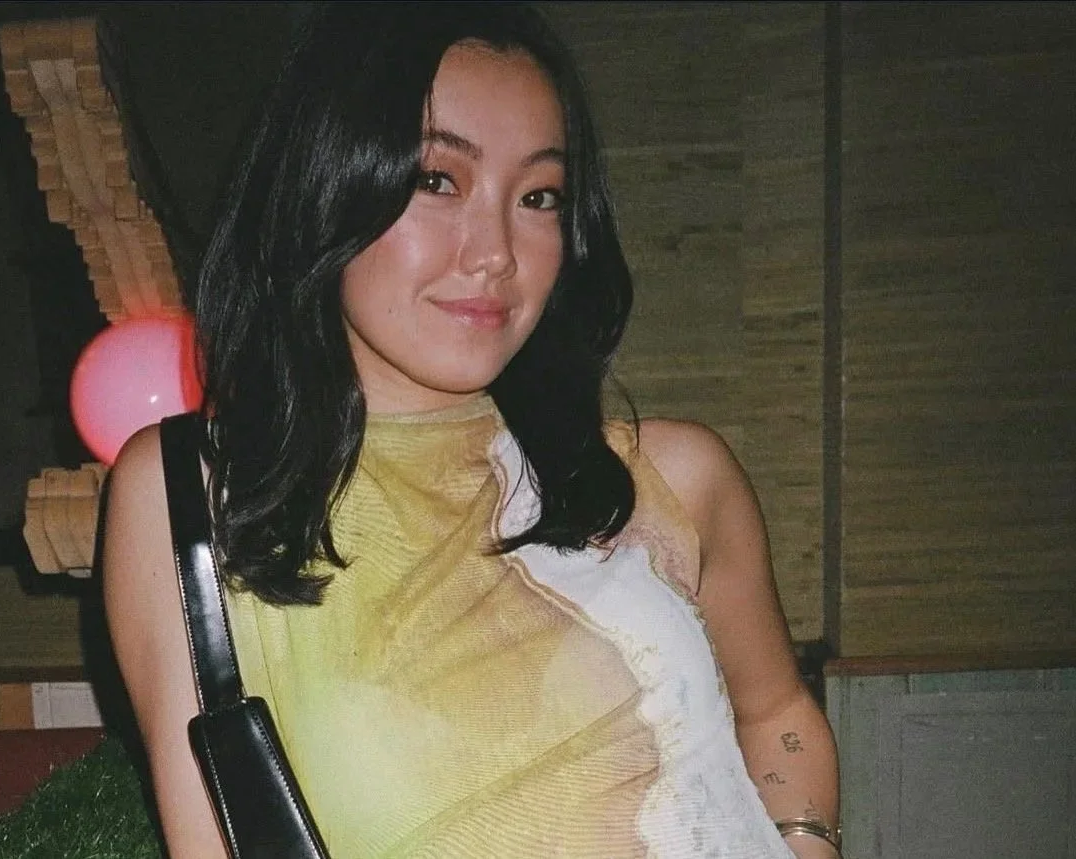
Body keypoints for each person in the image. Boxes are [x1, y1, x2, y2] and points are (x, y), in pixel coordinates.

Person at [103, 4, 841, 858]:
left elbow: (776, 710)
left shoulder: (671, 477)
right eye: (436, 180)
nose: (494, 251)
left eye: (537, 197)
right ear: (325, 184)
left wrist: (806, 841)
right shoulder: (193, 497)